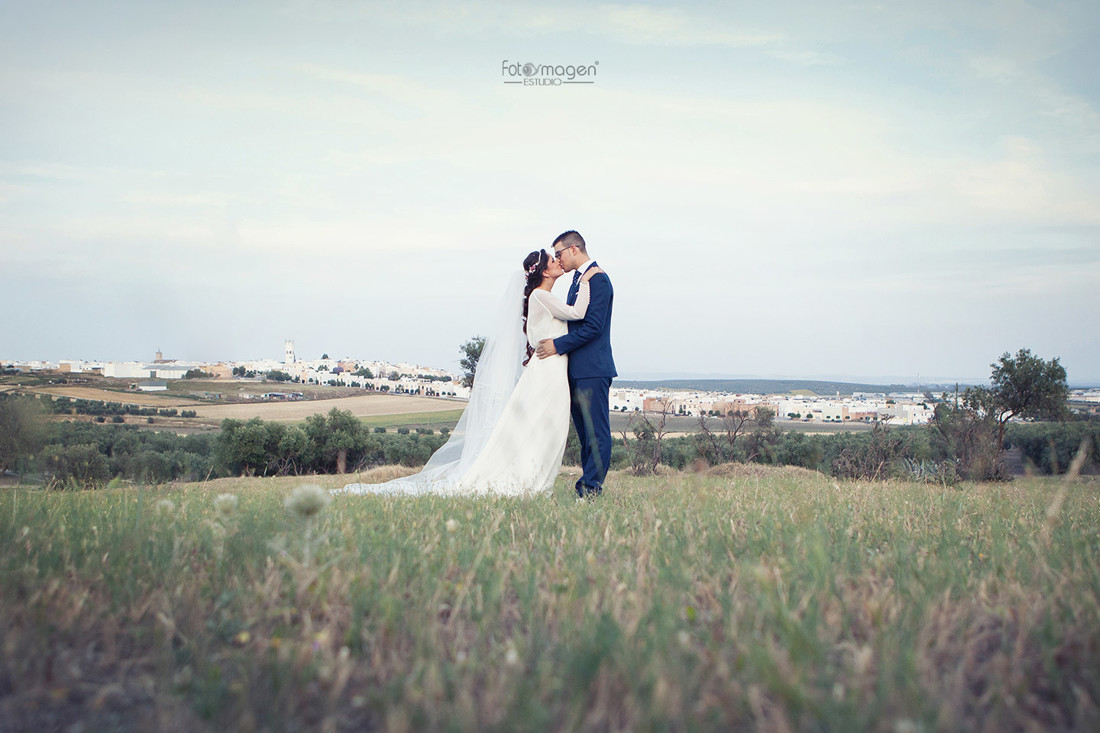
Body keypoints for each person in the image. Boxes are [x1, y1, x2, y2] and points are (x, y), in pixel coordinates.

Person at [335, 249, 603, 497]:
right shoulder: (541, 296)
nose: (558, 261)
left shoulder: (543, 297)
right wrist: (587, 279)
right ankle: (530, 481)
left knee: (544, 429)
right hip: (548, 372)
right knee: (544, 428)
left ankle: (535, 479)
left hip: (551, 370)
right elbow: (577, 312)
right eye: (553, 259)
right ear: (544, 271)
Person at [535, 230, 616, 499]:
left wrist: (557, 346)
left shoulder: (598, 279)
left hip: (593, 369)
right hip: (577, 370)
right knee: (585, 434)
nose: (557, 259)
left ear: (573, 249)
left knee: (597, 433)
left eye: (558, 253)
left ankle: (591, 490)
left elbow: (593, 327)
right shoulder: (579, 281)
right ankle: (587, 488)